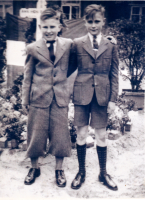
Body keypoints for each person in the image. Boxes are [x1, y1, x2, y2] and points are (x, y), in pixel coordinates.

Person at [69, 4, 119, 191]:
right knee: (81, 135)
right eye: (89, 21)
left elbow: (114, 74)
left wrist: (113, 99)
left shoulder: (111, 45)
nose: (93, 25)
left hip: (102, 97)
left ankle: (103, 172)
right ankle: (81, 171)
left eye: (97, 21)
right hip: (82, 96)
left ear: (103, 22)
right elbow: (69, 68)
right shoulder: (77, 43)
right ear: (85, 22)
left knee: (101, 136)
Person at [22, 8, 73, 187]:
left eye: (53, 26)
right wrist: (25, 100)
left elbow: (85, 47)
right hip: (38, 98)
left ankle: (59, 170)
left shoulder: (68, 45)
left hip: (60, 98)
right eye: (45, 27)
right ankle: (34, 167)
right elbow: (27, 77)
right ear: (40, 27)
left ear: (59, 27)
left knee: (60, 135)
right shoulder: (33, 48)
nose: (49, 30)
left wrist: (109, 41)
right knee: (36, 134)